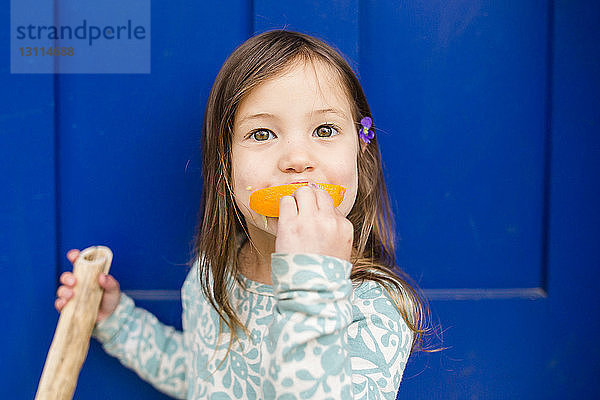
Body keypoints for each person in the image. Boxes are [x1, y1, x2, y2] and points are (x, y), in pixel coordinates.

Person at [55, 29, 431, 399]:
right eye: (263, 134)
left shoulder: (375, 306)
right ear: (226, 161)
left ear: (360, 152)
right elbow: (199, 375)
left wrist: (313, 282)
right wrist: (117, 319)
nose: (297, 160)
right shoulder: (212, 273)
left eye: (325, 129)